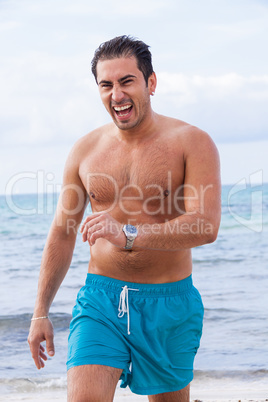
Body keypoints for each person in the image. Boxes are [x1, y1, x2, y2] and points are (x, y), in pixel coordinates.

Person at [28, 35, 221, 402]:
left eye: (126, 81)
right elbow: (63, 231)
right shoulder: (85, 151)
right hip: (101, 300)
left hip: (169, 303)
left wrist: (128, 234)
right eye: (106, 85)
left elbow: (205, 225)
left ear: (150, 83)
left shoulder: (191, 142)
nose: (116, 94)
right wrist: (40, 312)